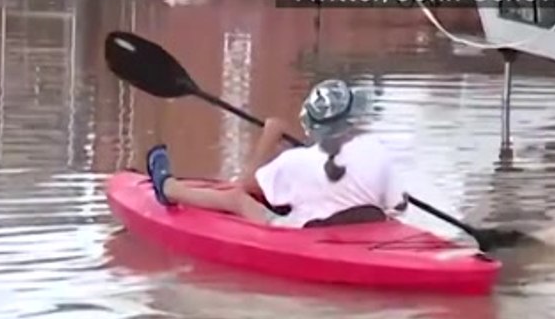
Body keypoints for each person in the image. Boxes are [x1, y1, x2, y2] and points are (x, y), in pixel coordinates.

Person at [144, 78, 411, 229]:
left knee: (236, 198)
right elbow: (399, 205)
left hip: (305, 234)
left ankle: (168, 189)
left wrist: (269, 136)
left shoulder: (296, 162)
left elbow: (243, 186)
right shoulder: (376, 150)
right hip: (364, 231)